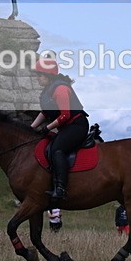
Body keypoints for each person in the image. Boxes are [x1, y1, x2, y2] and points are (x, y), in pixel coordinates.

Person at [30, 56, 89, 201]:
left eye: (39, 75)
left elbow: (65, 115)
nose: (37, 78)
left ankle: (61, 188)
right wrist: (31, 128)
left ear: (48, 75)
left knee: (57, 148)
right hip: (67, 126)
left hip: (76, 125)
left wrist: (47, 128)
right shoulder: (47, 91)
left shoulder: (61, 89)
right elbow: (45, 112)